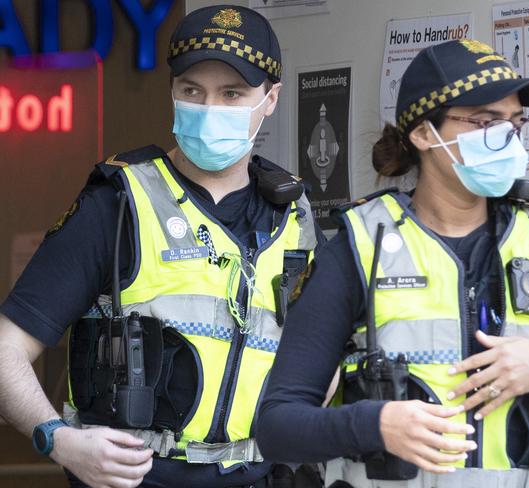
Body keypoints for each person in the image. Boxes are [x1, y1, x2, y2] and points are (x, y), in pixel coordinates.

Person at [256, 39, 529, 487]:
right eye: (486, 122)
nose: (507, 138)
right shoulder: (359, 247)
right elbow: (277, 427)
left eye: (515, 123)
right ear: (424, 134)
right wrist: (376, 424)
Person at [0, 5, 322, 488]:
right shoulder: (118, 203)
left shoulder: (293, 217)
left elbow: (318, 360)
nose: (210, 108)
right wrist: (58, 440)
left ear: (271, 99)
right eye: (193, 91)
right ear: (172, 92)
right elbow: (6, 350)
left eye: (231, 93)